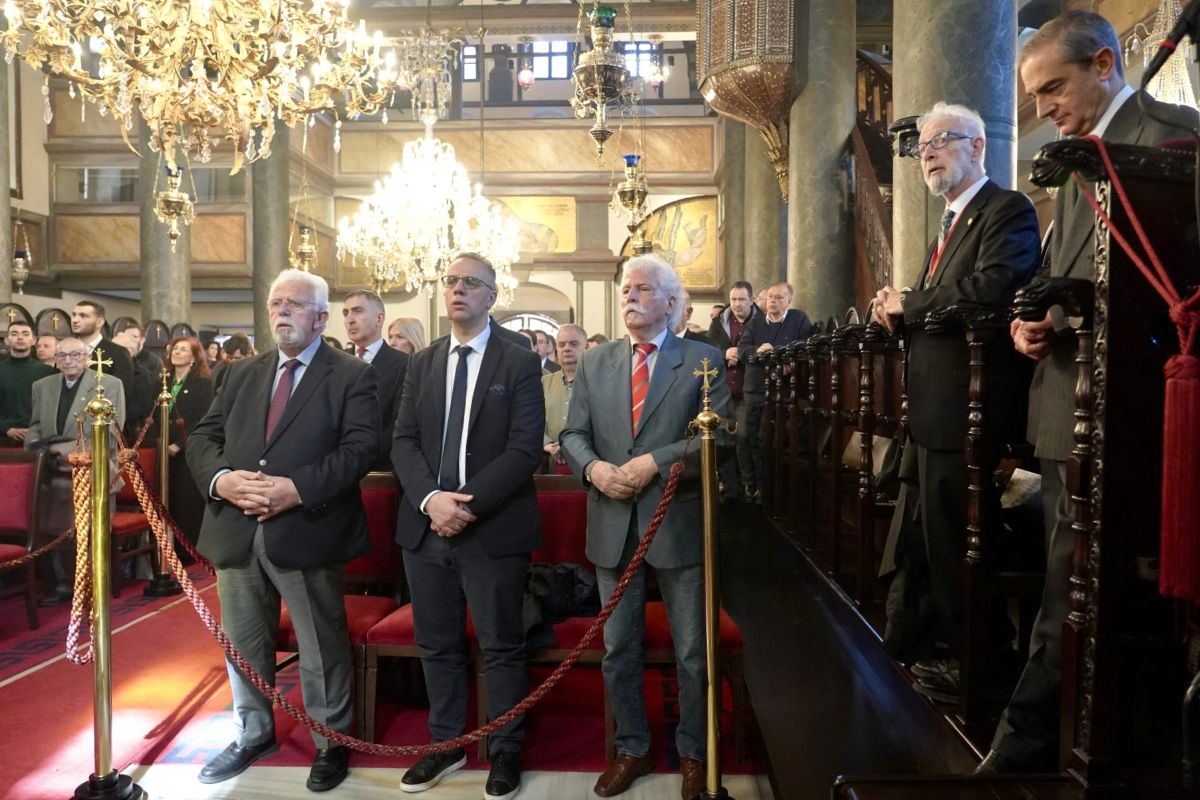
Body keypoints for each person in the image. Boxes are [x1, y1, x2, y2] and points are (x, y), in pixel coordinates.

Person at [981, 11, 1200, 774]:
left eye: (1053, 88)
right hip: (1065, 403)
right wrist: (1031, 323)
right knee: (1065, 586)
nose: (1043, 108)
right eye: (1034, 95)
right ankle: (1063, 735)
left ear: (1104, 64)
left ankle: (1033, 741)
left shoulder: (1171, 138)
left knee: (1084, 594)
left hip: (1135, 409)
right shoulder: (1074, 161)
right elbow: (1062, 271)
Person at [871, 101, 1040, 700]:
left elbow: (993, 287)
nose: (928, 154)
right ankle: (938, 648)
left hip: (972, 407)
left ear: (978, 146)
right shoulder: (948, 223)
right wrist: (899, 311)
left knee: (959, 545)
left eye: (941, 140)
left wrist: (911, 303)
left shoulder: (1006, 209)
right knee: (926, 543)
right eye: (922, 147)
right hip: (933, 410)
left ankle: (982, 669)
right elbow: (944, 300)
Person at [186, 269, 378, 792]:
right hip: (236, 527)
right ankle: (253, 733)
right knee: (244, 644)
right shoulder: (241, 373)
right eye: (276, 303)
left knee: (320, 645)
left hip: (307, 527)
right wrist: (222, 481)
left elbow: (361, 450)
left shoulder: (351, 375)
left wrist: (297, 489)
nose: (282, 312)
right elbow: (203, 439)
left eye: (295, 304)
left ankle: (330, 740)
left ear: (321, 317)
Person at [560, 254, 730, 800]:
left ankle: (695, 754)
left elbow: (722, 437)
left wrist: (655, 461)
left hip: (676, 522)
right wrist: (593, 468)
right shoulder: (596, 362)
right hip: (612, 522)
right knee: (619, 650)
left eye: (642, 289)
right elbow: (572, 434)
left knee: (692, 652)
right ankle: (632, 748)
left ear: (671, 301)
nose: (629, 296)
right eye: (626, 289)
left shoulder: (701, 360)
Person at [391, 252, 544, 800]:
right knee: (437, 644)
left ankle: (504, 749)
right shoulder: (423, 362)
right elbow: (403, 441)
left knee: (501, 644)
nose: (457, 289)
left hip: (492, 527)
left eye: (471, 282)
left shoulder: (519, 361)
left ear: (491, 296)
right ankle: (447, 743)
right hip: (426, 527)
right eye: (451, 280)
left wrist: (464, 506)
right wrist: (432, 501)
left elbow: (525, 448)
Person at [26, 337, 126, 605]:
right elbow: (35, 426)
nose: (68, 360)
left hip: (94, 470)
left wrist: (60, 448)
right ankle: (63, 584)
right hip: (52, 473)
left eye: (75, 355)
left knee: (90, 531)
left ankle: (93, 584)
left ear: (87, 357)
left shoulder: (109, 384)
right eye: (62, 355)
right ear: (55, 359)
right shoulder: (42, 386)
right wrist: (33, 444)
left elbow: (111, 433)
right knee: (56, 531)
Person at [737, 282, 813, 501]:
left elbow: (806, 348)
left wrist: (785, 357)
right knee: (745, 437)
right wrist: (758, 350)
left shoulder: (798, 319)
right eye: (770, 296)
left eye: (779, 297)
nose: (773, 301)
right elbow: (743, 351)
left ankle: (766, 489)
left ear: (789, 301)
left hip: (783, 394)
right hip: (754, 390)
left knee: (766, 441)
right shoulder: (756, 323)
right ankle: (750, 484)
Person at [155, 337, 214, 546]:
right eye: (175, 349)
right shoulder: (163, 381)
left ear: (194, 357)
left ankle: (187, 551)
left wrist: (180, 444)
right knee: (165, 500)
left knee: (185, 503)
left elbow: (202, 418)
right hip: (163, 449)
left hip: (187, 452)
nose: (176, 352)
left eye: (183, 349)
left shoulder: (202, 384)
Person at [343, 290, 409, 468]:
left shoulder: (404, 364)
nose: (350, 320)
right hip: (334, 466)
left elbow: (400, 423)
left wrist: (359, 457)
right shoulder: (334, 362)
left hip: (378, 466)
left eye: (358, 311)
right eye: (346, 313)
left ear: (379, 319)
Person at [707, 281, 760, 502]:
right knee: (723, 440)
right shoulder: (718, 323)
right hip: (723, 391)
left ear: (751, 300)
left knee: (744, 438)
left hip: (749, 391)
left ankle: (749, 487)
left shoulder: (760, 321)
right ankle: (730, 490)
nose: (737, 304)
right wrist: (724, 354)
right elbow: (708, 351)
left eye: (742, 299)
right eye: (733, 299)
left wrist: (744, 354)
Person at [0, 321, 56, 445]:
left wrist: (36, 430)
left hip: (39, 439)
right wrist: (6, 429)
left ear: (34, 340)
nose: (20, 337)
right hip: (3, 439)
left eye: (25, 334)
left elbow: (53, 407)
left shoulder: (47, 372)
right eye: (14, 334)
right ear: (7, 340)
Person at [542, 323, 586, 473]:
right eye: (561, 345)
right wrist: (547, 444)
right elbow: (532, 421)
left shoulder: (596, 382)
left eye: (573, 344)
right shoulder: (544, 382)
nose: (566, 348)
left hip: (587, 463)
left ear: (586, 348)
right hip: (549, 463)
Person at [71, 300, 134, 399]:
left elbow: (122, 393)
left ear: (99, 322)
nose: (75, 320)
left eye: (83, 316)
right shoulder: (65, 351)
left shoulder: (118, 353)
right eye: (74, 315)